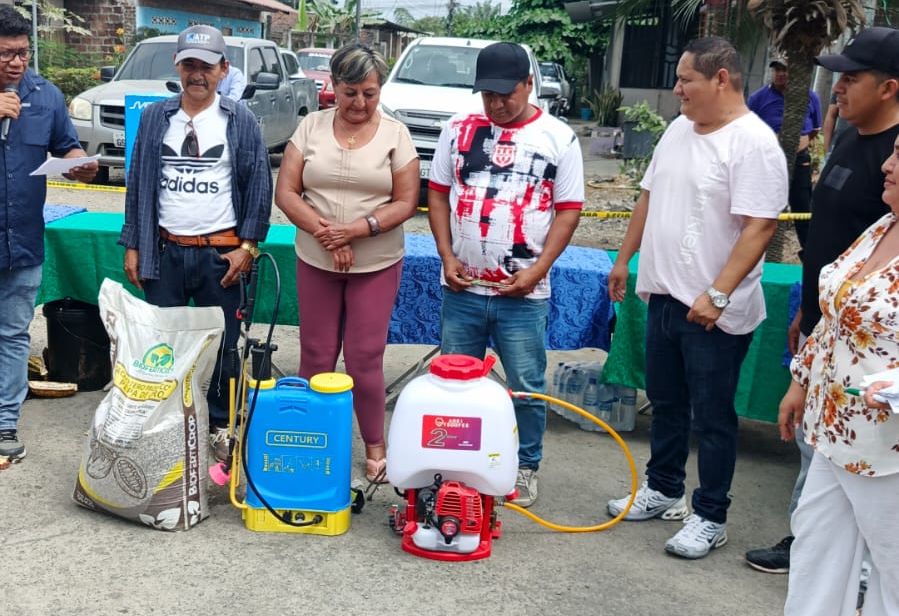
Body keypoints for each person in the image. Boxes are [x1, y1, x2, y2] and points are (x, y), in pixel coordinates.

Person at [717, 133, 899, 616]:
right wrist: (800, 381)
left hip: (889, 442)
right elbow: (837, 319)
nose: (888, 164)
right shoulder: (882, 228)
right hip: (835, 422)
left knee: (893, 565)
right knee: (817, 537)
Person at [606, 36, 788, 558]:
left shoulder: (753, 143)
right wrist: (624, 260)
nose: (677, 89)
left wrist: (718, 294)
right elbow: (648, 196)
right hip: (663, 294)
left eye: (686, 80)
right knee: (665, 403)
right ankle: (664, 488)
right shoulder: (678, 129)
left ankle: (710, 514)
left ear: (721, 79)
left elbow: (759, 227)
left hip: (712, 311)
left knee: (711, 417)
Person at [745, 26, 899, 573]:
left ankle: (843, 562)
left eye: (851, 79)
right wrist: (808, 312)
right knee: (814, 446)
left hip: (869, 352)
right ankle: (811, 546)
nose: (838, 88)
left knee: (842, 458)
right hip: (824, 325)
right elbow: (833, 241)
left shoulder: (894, 160)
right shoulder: (851, 139)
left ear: (889, 88)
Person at [427, 41, 584, 509]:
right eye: (487, 95)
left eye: (505, 94)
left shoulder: (558, 137)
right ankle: (457, 465)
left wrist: (538, 270)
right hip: (463, 289)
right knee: (455, 385)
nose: (495, 104)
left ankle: (525, 466)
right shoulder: (457, 130)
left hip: (523, 294)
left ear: (529, 84)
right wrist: (446, 256)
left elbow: (569, 211)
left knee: (526, 387)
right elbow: (437, 193)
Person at [120, 23, 272, 457]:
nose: (197, 75)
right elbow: (138, 184)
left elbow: (259, 186)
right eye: (189, 65)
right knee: (160, 347)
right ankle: (163, 425)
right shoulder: (156, 117)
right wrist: (134, 244)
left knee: (223, 348)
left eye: (206, 66)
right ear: (177, 66)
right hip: (165, 252)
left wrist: (247, 248)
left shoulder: (239, 120)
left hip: (220, 256)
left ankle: (220, 426)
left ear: (223, 69)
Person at [274, 42, 419, 483]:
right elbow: (286, 192)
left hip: (376, 261)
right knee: (316, 354)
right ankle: (311, 437)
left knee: (364, 357)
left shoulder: (395, 134)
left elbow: (406, 202)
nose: (359, 103)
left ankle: (375, 444)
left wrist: (355, 230)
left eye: (369, 93)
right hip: (316, 257)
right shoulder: (310, 127)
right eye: (350, 92)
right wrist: (328, 234)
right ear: (333, 86)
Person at [0, 6, 98, 465]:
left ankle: (5, 422)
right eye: (6, 54)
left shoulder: (46, 95)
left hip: (22, 240)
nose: (17, 63)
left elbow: (66, 145)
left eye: (23, 53)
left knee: (13, 334)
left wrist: (79, 162)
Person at [747, 54, 821, 251]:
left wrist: (797, 145)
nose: (780, 74)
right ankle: (758, 252)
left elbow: (815, 130)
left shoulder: (811, 97)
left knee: (803, 208)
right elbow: (746, 129)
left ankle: (810, 255)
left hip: (799, 161)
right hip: (767, 162)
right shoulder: (758, 98)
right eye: (777, 69)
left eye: (785, 69)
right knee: (763, 208)